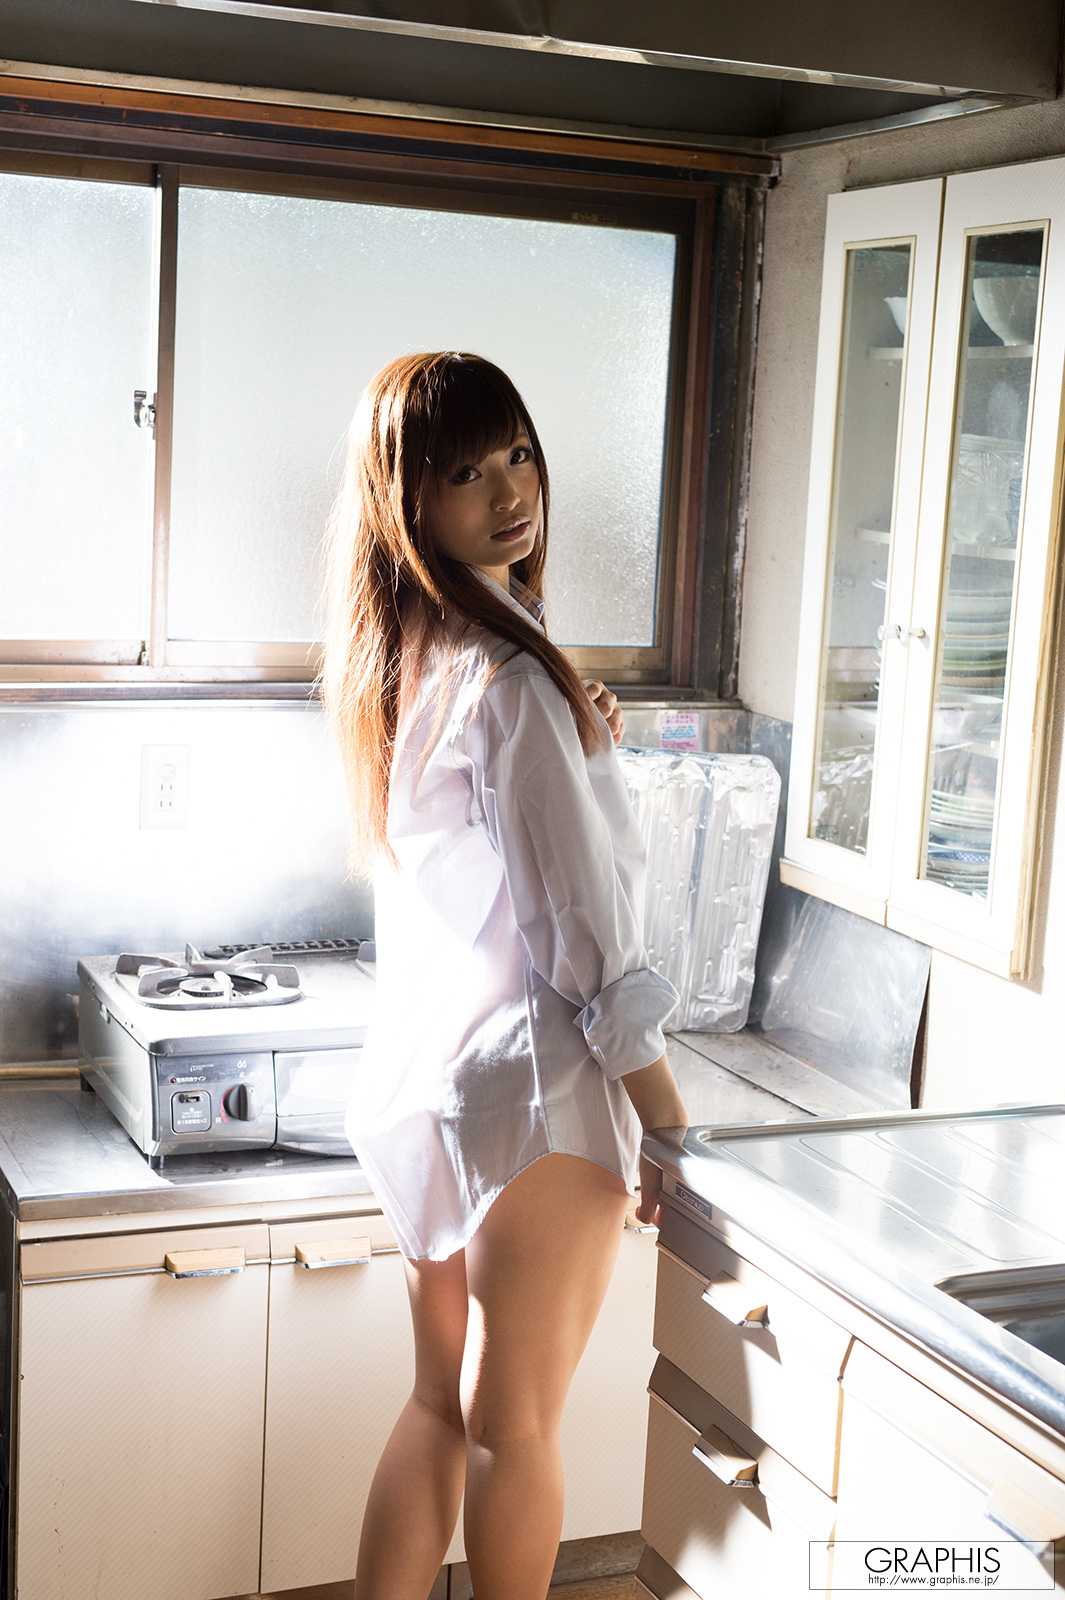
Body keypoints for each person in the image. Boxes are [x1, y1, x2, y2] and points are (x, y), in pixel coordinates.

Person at [317, 350, 690, 1600]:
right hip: (538, 1097)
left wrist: (578, 742)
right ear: (409, 501)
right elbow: (587, 936)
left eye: (518, 453)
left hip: (434, 1083)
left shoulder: (407, 652)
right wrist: (668, 1125)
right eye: (467, 472)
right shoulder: (514, 676)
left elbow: (485, 843)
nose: (511, 491)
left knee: (439, 1404)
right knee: (516, 1426)